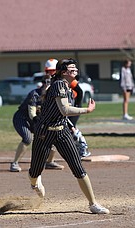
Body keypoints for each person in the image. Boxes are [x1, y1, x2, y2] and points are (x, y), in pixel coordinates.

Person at [28, 58, 110, 214]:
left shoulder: (68, 85)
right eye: (72, 69)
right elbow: (65, 109)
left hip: (61, 131)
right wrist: (87, 110)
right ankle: (34, 182)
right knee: (35, 170)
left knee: (78, 168)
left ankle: (93, 204)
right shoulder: (59, 83)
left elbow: (63, 114)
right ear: (64, 72)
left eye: (76, 68)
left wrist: (72, 127)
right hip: (45, 132)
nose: (76, 71)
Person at [10, 74, 65, 172]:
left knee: (52, 137)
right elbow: (32, 114)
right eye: (47, 83)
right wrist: (40, 125)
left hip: (37, 120)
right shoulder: (35, 94)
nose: (48, 86)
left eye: (51, 83)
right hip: (22, 118)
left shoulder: (53, 96)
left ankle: (49, 162)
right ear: (42, 83)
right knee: (27, 138)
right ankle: (15, 163)